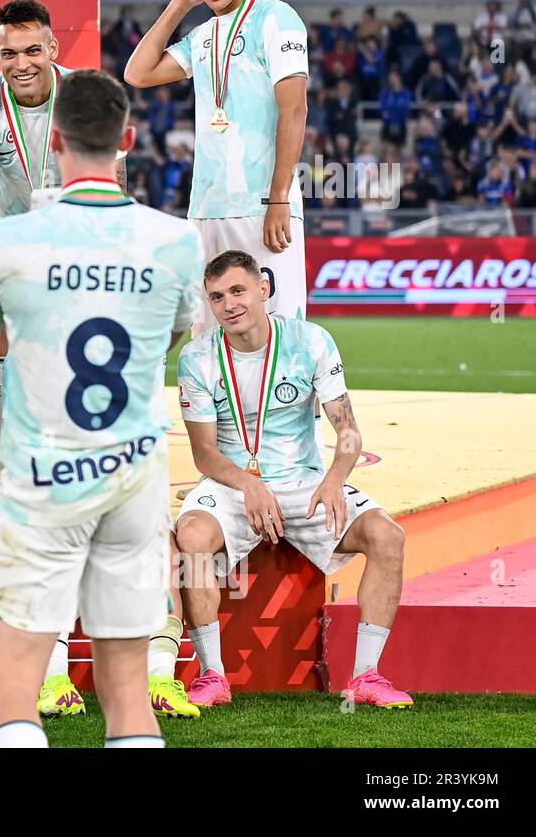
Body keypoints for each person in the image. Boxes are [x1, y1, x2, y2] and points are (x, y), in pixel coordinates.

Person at [0, 69, 204, 747]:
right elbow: (172, 336)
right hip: (134, 481)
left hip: (43, 479)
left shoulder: (10, 240)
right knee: (126, 695)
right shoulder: (176, 241)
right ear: (126, 141)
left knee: (12, 691)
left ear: (55, 140)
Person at [0, 0, 107, 717]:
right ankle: (5, 472)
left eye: (31, 51)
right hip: (19, 254)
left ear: (53, 46)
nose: (19, 64)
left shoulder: (90, 98)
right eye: (7, 53)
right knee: (3, 356)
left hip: (79, 248)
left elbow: (113, 186)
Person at [174, 250, 411, 710]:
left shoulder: (311, 341)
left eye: (238, 291)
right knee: (191, 536)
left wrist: (335, 479)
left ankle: (365, 675)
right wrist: (249, 485)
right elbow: (204, 454)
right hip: (232, 485)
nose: (229, 305)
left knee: (388, 536)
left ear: (263, 288)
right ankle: (212, 676)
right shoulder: (197, 357)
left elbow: (348, 431)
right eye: (217, 297)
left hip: (305, 481)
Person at [124, 0, 310, 339]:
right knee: (209, 333)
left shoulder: (277, 19)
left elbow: (294, 109)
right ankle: (217, 409)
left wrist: (278, 196)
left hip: (262, 204)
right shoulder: (203, 34)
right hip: (207, 206)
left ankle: (287, 407)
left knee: (278, 329)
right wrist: (178, 6)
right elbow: (137, 73)